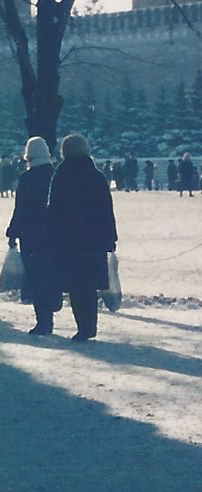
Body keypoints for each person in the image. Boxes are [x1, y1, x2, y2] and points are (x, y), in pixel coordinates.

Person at [43, 134, 118, 342]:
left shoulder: (61, 175)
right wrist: (110, 237)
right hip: (93, 240)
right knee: (90, 283)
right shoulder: (96, 175)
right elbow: (106, 210)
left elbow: (54, 211)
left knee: (76, 284)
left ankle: (83, 326)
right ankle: (90, 325)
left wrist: (51, 236)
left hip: (69, 240)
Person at [6, 137, 59, 335]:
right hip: (54, 234)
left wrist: (13, 232)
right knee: (51, 273)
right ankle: (53, 303)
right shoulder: (55, 175)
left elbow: (20, 209)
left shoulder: (27, 178)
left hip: (31, 235)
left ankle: (44, 321)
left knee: (36, 277)